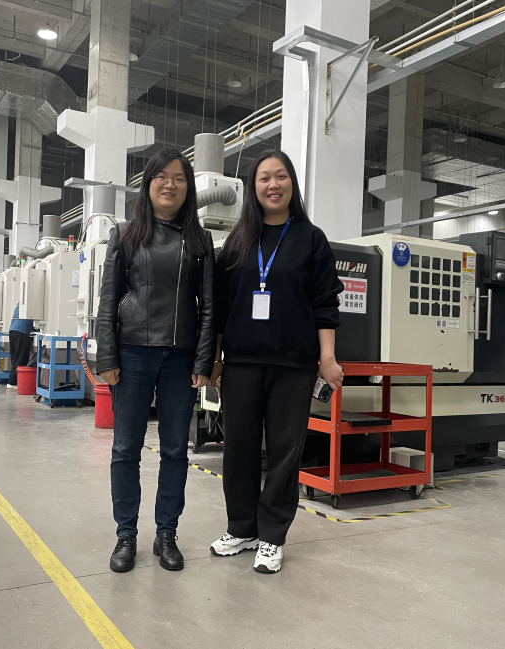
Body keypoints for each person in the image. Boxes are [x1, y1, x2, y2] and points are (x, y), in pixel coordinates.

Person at [209, 150, 344, 574]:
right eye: (264, 178)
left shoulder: (311, 238)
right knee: (239, 449)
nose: (273, 184)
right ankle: (242, 527)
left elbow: (325, 304)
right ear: (253, 188)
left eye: (281, 176)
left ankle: (272, 536)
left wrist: (327, 358)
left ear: (291, 184)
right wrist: (215, 358)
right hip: (241, 363)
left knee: (285, 452)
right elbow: (220, 307)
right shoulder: (237, 241)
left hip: (293, 365)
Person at [97, 149, 215, 573]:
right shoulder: (125, 235)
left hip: (181, 359)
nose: (170, 184)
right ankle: (125, 534)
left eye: (179, 178)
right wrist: (107, 355)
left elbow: (209, 308)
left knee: (175, 450)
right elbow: (108, 300)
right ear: (148, 184)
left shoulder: (200, 241)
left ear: (188, 188)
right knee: (125, 448)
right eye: (161, 177)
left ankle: (167, 533)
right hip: (131, 354)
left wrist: (204, 360)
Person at [7, 302, 35, 389]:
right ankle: (12, 382)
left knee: (15, 357)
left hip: (12, 329)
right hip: (22, 331)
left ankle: (14, 381)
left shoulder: (21, 301)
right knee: (20, 358)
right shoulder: (32, 301)